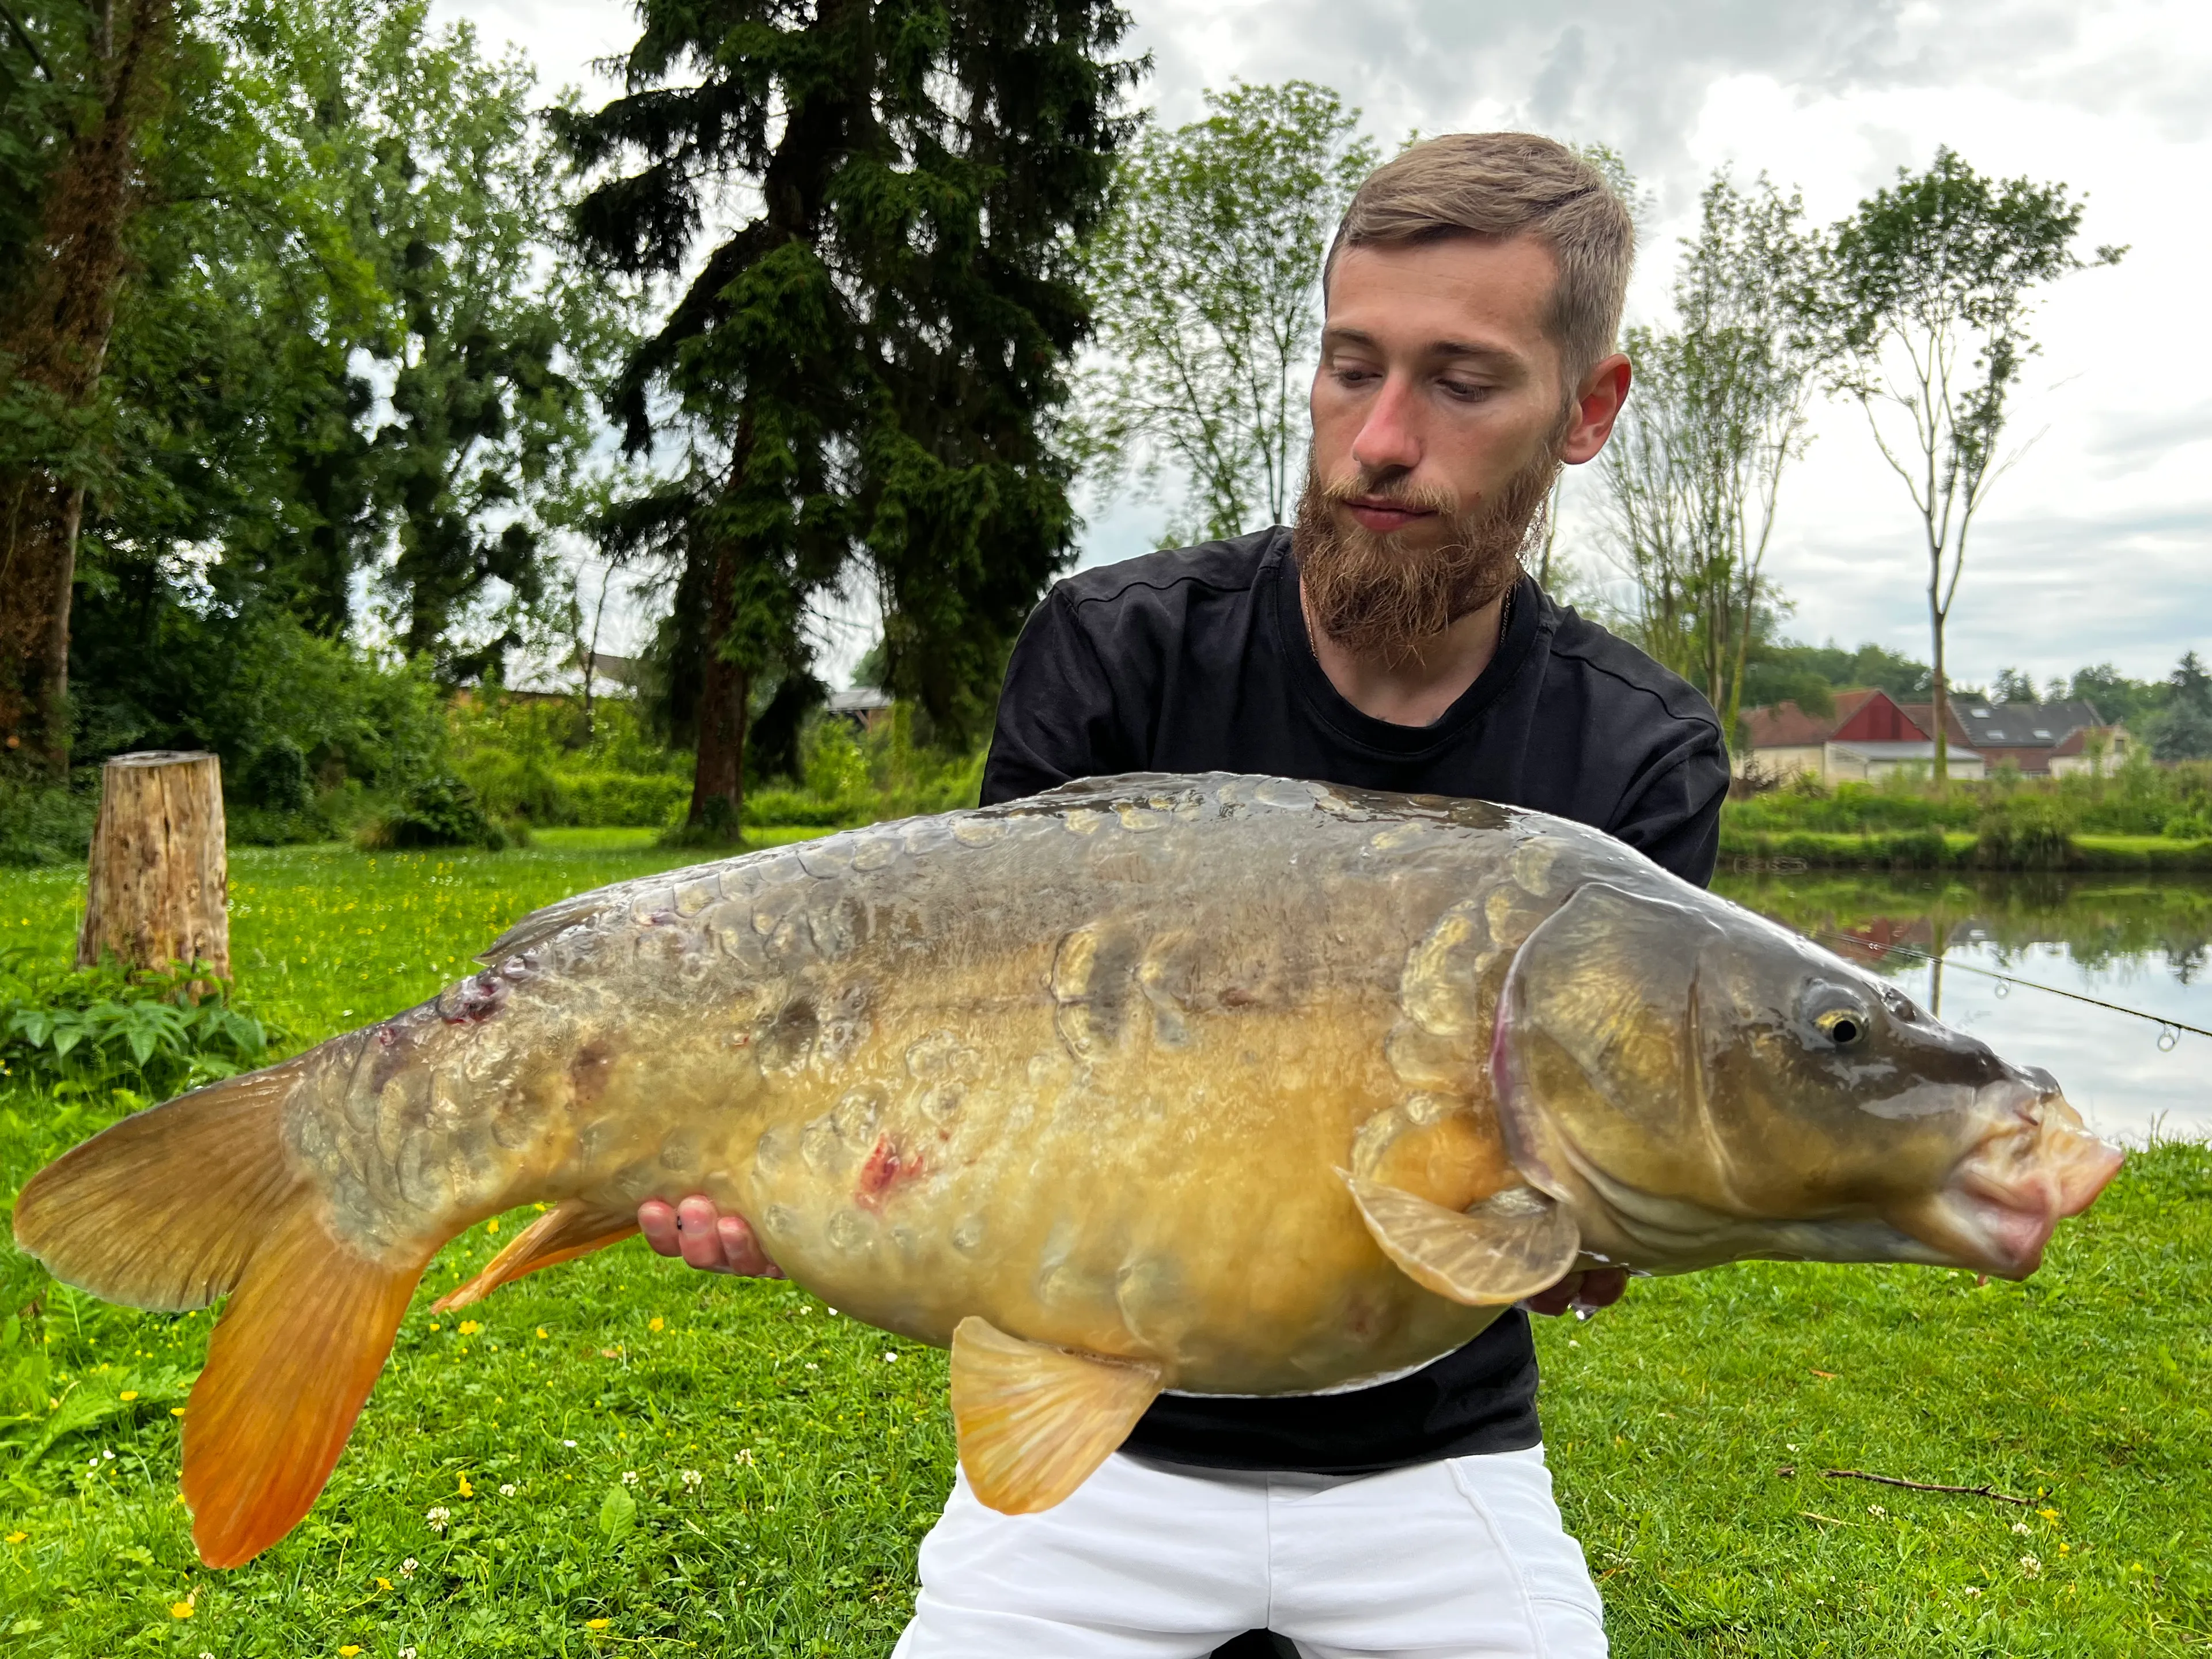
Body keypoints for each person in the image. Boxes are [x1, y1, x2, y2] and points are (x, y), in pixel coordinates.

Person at [638, 132, 1728, 1658]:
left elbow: (1595, 1223)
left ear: (1588, 409)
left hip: (1438, 1459)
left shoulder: (1636, 748)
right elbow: (973, 1065)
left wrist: (1608, 1216)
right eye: (1352, 369)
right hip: (1101, 1458)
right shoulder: (1114, 650)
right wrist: (818, 1185)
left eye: (1459, 382)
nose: (1381, 439)